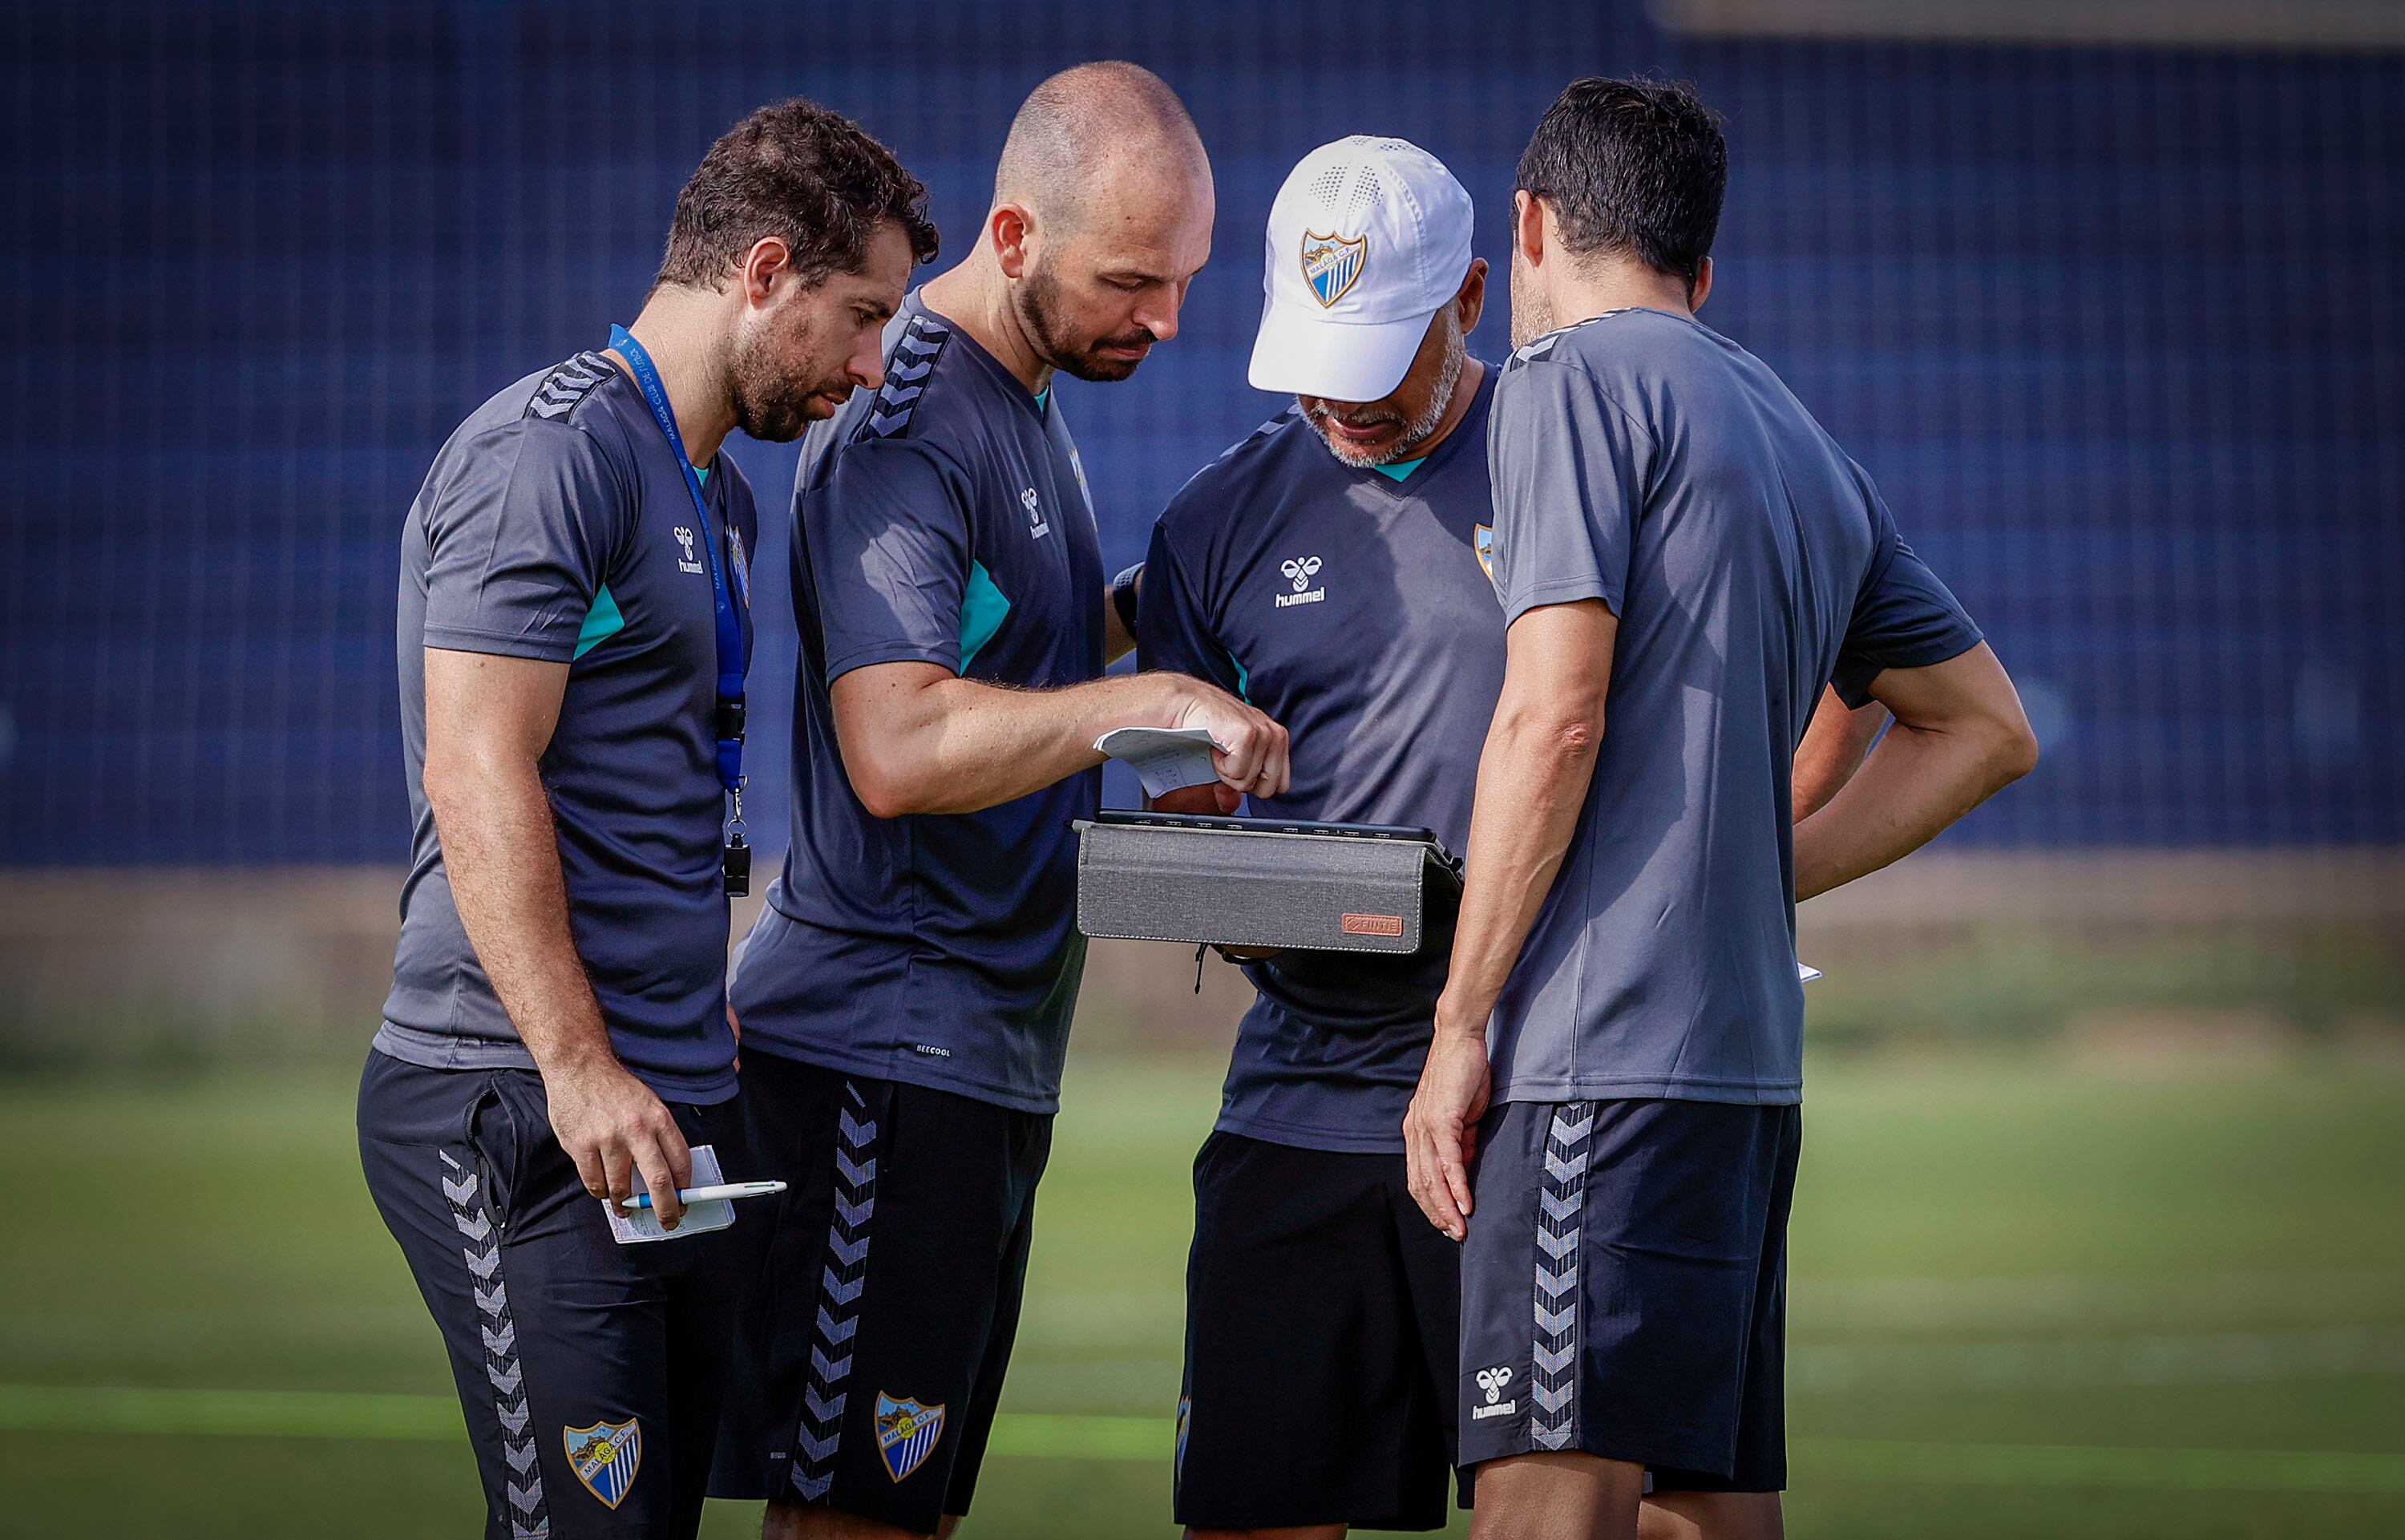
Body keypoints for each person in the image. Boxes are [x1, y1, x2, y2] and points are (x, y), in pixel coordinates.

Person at [1402, 78, 2039, 1540]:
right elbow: (1983, 729)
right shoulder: (1798, 432)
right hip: (1744, 1086)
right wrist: (1755, 867)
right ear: (1706, 258)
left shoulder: (1566, 383)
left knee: (1543, 1514)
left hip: (1592, 1072)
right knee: (1706, 1514)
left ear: (1534, 224)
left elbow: (1554, 712)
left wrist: (1455, 1030)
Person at [710, 63, 1287, 1540]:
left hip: (975, 1066)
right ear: (1017, 232)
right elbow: (897, 744)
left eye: (1183, 282)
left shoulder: (1027, 397)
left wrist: (1187, 604)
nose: (1164, 320)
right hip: (875, 1061)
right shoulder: (903, 417)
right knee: (851, 1523)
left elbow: (1019, 656)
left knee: (903, 1517)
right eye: (1132, 281)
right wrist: (1146, 704)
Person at [357, 99, 936, 1540]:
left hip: (671, 1106)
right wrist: (577, 1061)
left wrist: (688, 1016)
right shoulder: (550, 453)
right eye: (859, 316)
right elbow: (479, 766)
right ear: (760, 271)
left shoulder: (720, 498)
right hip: (518, 1099)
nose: (871, 368)